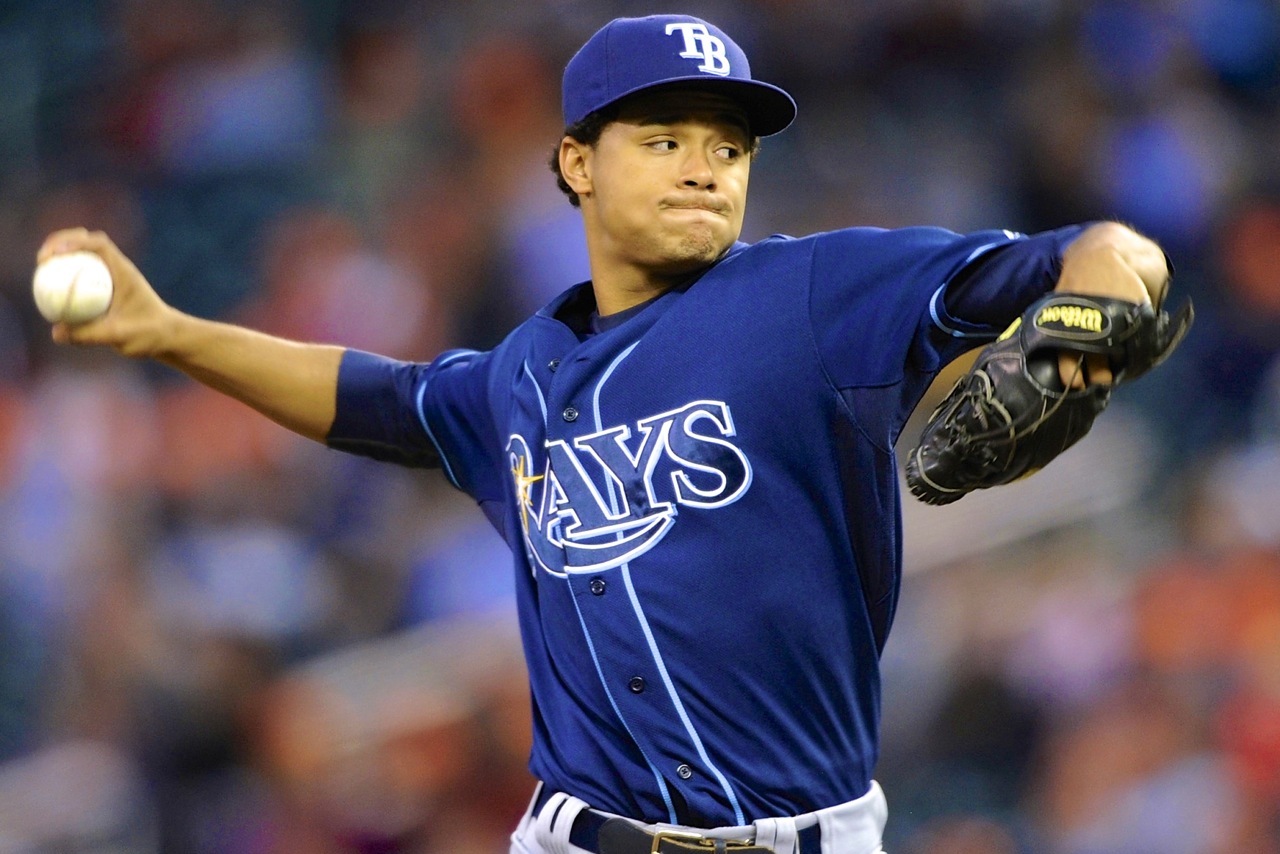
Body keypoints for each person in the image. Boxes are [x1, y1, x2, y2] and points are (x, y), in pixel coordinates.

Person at [38, 14, 1172, 854]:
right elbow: (373, 395)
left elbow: (1097, 247)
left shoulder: (814, 292)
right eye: (664, 135)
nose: (702, 165)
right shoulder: (523, 372)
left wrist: (1105, 300)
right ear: (576, 162)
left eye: (727, 145)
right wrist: (169, 329)